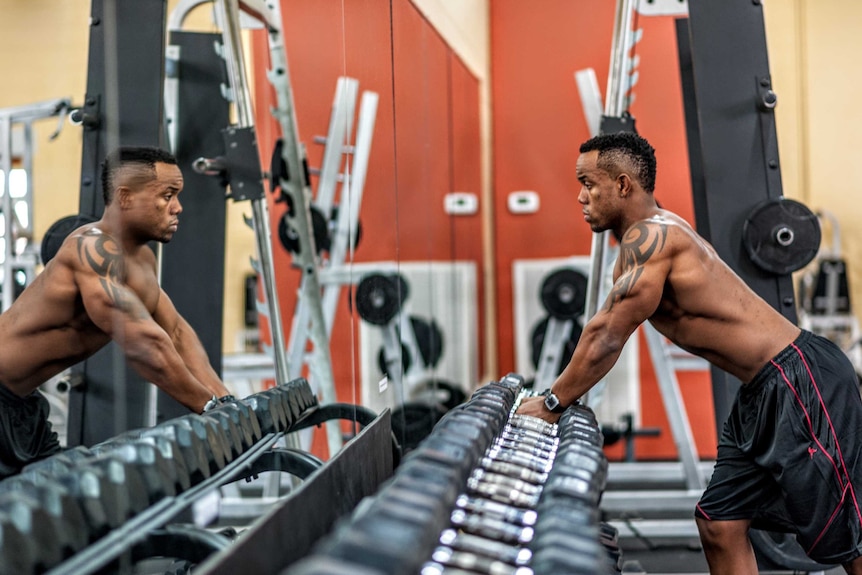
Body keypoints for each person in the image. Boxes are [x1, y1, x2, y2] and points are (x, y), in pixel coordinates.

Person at [517, 131, 862, 573]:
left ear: (623, 185)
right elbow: (604, 328)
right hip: (762, 390)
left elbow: (607, 334)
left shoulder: (653, 238)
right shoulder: (645, 239)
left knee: (846, 537)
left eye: (589, 183)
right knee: (719, 522)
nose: (581, 197)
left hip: (800, 378)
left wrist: (551, 403)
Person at [0, 146, 234, 479]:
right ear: (125, 197)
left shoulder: (142, 262)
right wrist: (208, 408)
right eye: (167, 196)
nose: (178, 207)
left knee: (72, 508)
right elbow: (144, 345)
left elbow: (176, 333)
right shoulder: (90, 247)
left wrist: (227, 403)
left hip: (23, 407)